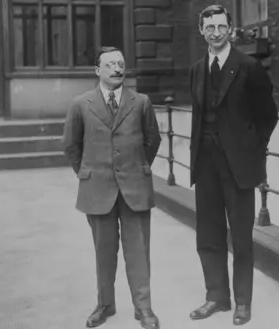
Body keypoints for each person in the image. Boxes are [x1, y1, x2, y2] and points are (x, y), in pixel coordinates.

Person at [188, 4, 278, 326]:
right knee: (208, 235)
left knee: (241, 238)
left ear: (231, 29)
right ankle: (216, 297)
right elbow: (200, 118)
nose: (215, 32)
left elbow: (268, 116)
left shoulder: (249, 67)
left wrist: (253, 150)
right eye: (209, 27)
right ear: (202, 31)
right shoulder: (198, 69)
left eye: (221, 27)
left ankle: (242, 302)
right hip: (206, 165)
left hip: (238, 167)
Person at [62, 46, 161, 329]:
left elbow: (152, 142)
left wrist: (136, 169)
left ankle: (144, 308)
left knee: (139, 252)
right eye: (110, 64)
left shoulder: (141, 102)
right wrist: (89, 173)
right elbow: (71, 145)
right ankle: (105, 304)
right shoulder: (80, 104)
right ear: (97, 71)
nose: (117, 68)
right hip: (98, 190)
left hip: (135, 189)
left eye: (121, 63)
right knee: (103, 252)